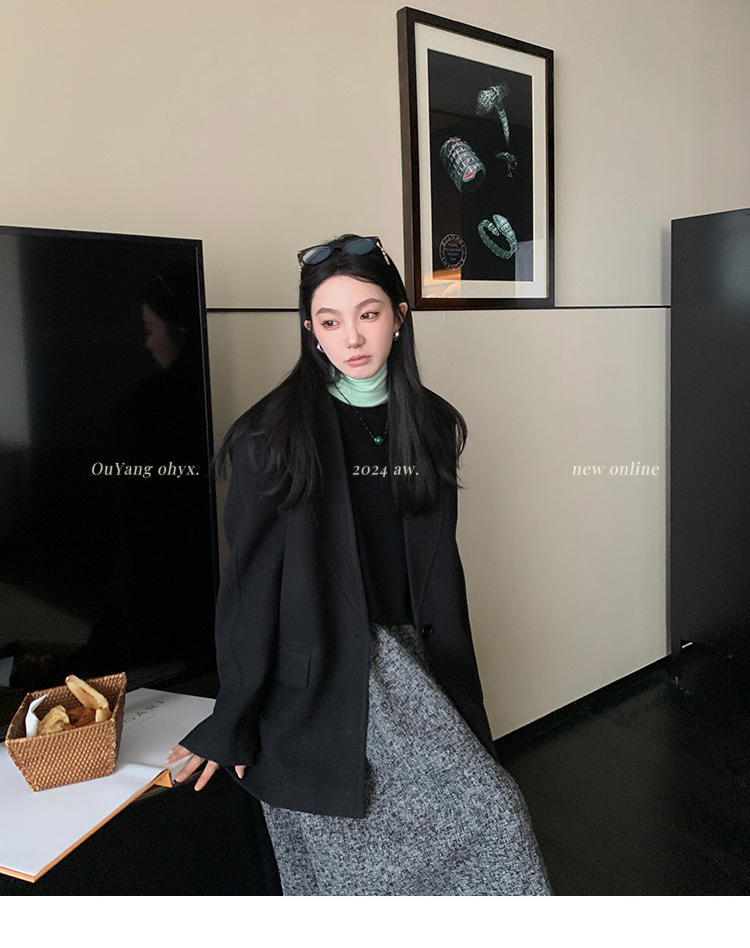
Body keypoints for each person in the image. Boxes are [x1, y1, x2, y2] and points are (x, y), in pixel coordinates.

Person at [167, 233, 551, 896]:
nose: (351, 337)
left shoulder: (431, 424)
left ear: (399, 316)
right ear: (310, 330)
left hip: (413, 667)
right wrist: (233, 717)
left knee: (495, 821)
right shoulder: (269, 437)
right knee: (361, 877)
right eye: (329, 320)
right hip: (319, 677)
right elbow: (250, 592)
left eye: (368, 313)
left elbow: (437, 569)